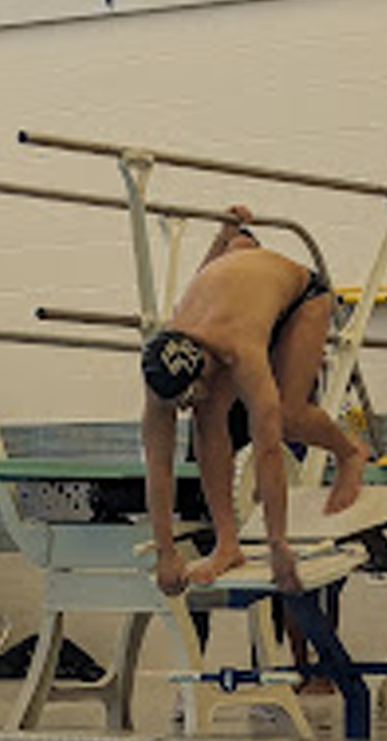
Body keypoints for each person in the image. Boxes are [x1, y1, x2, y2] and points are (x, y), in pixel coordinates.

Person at [140, 208, 370, 595]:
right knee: (207, 419)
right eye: (178, 402)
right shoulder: (161, 369)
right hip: (238, 287)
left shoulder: (240, 349)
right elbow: (158, 467)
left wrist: (277, 543)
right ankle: (227, 544)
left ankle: (350, 453)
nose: (183, 406)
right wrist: (165, 552)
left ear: (206, 367)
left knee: (291, 415)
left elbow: (267, 448)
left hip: (300, 297)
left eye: (190, 395)